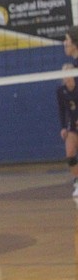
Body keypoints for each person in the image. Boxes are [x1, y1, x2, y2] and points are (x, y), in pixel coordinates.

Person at [57, 64, 78, 197]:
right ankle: (77, 181)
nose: (66, 77)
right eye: (64, 75)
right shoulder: (61, 90)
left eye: (68, 74)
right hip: (72, 127)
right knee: (70, 154)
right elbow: (61, 109)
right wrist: (63, 127)